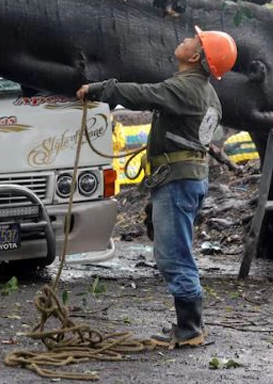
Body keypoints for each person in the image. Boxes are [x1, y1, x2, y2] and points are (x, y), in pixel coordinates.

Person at [76, 26, 237, 348]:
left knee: (173, 254)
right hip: (184, 178)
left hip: (178, 182)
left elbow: (144, 94)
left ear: (195, 56)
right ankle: (188, 324)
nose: (184, 39)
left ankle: (190, 328)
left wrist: (99, 89)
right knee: (175, 250)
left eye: (193, 40)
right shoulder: (207, 93)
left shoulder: (185, 89)